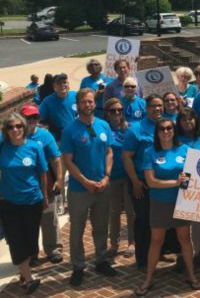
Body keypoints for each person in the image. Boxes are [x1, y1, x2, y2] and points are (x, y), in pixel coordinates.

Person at [135, 118, 200, 295]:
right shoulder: (150, 152)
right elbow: (151, 182)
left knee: (185, 239)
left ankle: (191, 275)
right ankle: (149, 279)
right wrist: (175, 183)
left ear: (174, 130)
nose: (166, 131)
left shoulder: (185, 150)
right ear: (157, 133)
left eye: (169, 128)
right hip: (160, 203)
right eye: (162, 129)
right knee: (156, 241)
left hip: (182, 201)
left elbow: (192, 177)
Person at [60, 89, 118, 286]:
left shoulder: (103, 125)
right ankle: (78, 266)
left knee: (101, 226)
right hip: (79, 189)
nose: (88, 105)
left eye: (91, 101)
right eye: (84, 102)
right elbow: (68, 161)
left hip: (102, 187)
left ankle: (101, 260)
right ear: (78, 105)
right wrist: (85, 181)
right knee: (77, 229)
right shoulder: (70, 131)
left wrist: (107, 176)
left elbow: (109, 152)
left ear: (95, 103)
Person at [0, 113, 48, 294]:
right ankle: (28, 278)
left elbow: (42, 174)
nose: (15, 130)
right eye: (10, 127)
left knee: (30, 240)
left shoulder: (34, 147)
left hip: (32, 201)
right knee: (15, 239)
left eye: (18, 126)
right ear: (6, 130)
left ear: (24, 127)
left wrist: (45, 197)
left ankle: (23, 271)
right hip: (8, 202)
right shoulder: (2, 147)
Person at [122, 94, 163, 269]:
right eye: (153, 106)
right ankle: (143, 259)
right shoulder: (136, 129)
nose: (157, 109)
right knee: (144, 220)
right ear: (146, 108)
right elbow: (127, 157)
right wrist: (135, 182)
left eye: (160, 106)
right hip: (142, 182)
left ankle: (159, 253)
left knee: (160, 220)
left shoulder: (167, 126)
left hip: (162, 183)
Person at [173, 107, 200, 269]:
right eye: (184, 120)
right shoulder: (175, 138)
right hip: (182, 181)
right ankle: (182, 254)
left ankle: (199, 252)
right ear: (179, 123)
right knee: (182, 220)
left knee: (199, 221)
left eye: (190, 119)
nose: (188, 122)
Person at [103, 98, 136, 260]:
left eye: (119, 110)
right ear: (106, 113)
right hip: (112, 177)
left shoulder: (129, 128)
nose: (117, 113)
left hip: (128, 176)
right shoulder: (103, 129)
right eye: (113, 110)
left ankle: (132, 242)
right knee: (114, 212)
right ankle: (114, 243)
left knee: (131, 211)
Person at [39, 72, 77, 141]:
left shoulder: (75, 96)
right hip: (58, 139)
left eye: (64, 82)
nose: (62, 85)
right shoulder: (47, 101)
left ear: (68, 84)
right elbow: (39, 119)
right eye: (59, 83)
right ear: (54, 87)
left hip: (75, 135)